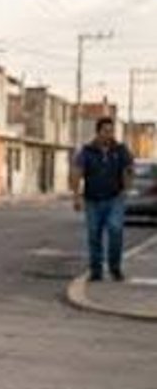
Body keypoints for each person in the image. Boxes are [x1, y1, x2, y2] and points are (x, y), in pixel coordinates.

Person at [71, 116, 134, 281]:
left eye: (111, 131)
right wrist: (76, 196)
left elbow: (128, 169)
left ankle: (115, 268)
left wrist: (126, 189)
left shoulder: (120, 149)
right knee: (94, 235)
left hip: (115, 199)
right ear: (98, 132)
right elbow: (77, 172)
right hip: (92, 200)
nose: (109, 134)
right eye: (106, 131)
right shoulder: (87, 151)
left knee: (115, 230)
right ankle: (96, 271)